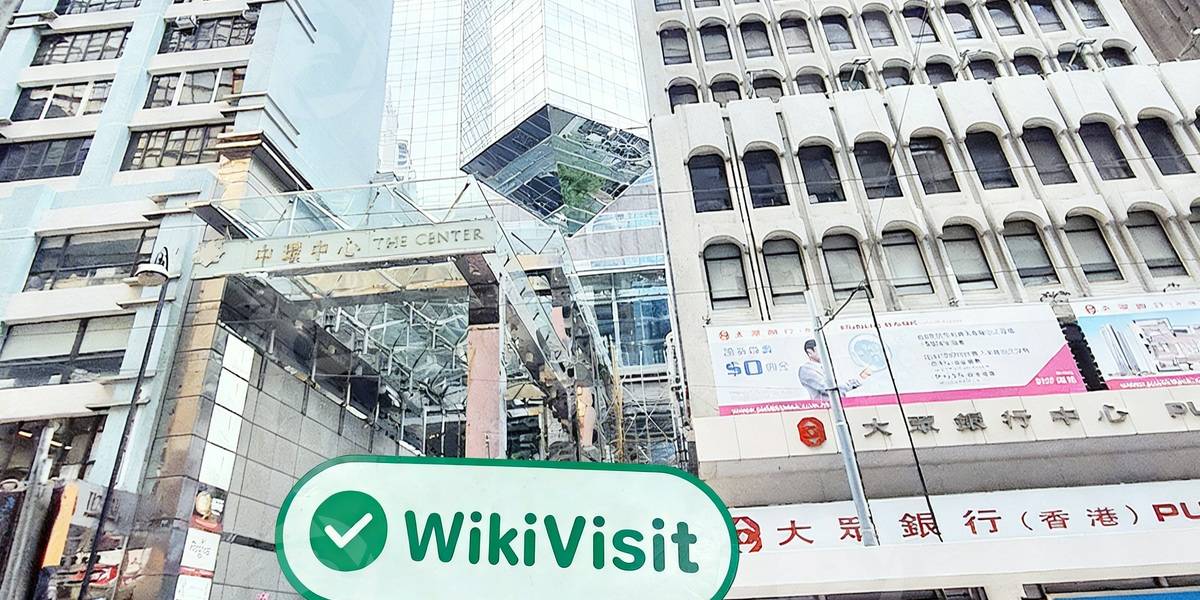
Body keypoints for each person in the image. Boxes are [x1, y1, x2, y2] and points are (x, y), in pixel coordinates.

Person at [798, 339, 871, 402]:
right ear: (810, 352)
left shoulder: (827, 366)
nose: (824, 352)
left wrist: (859, 379)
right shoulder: (806, 369)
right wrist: (854, 382)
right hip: (825, 408)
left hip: (840, 404)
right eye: (820, 350)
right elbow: (828, 387)